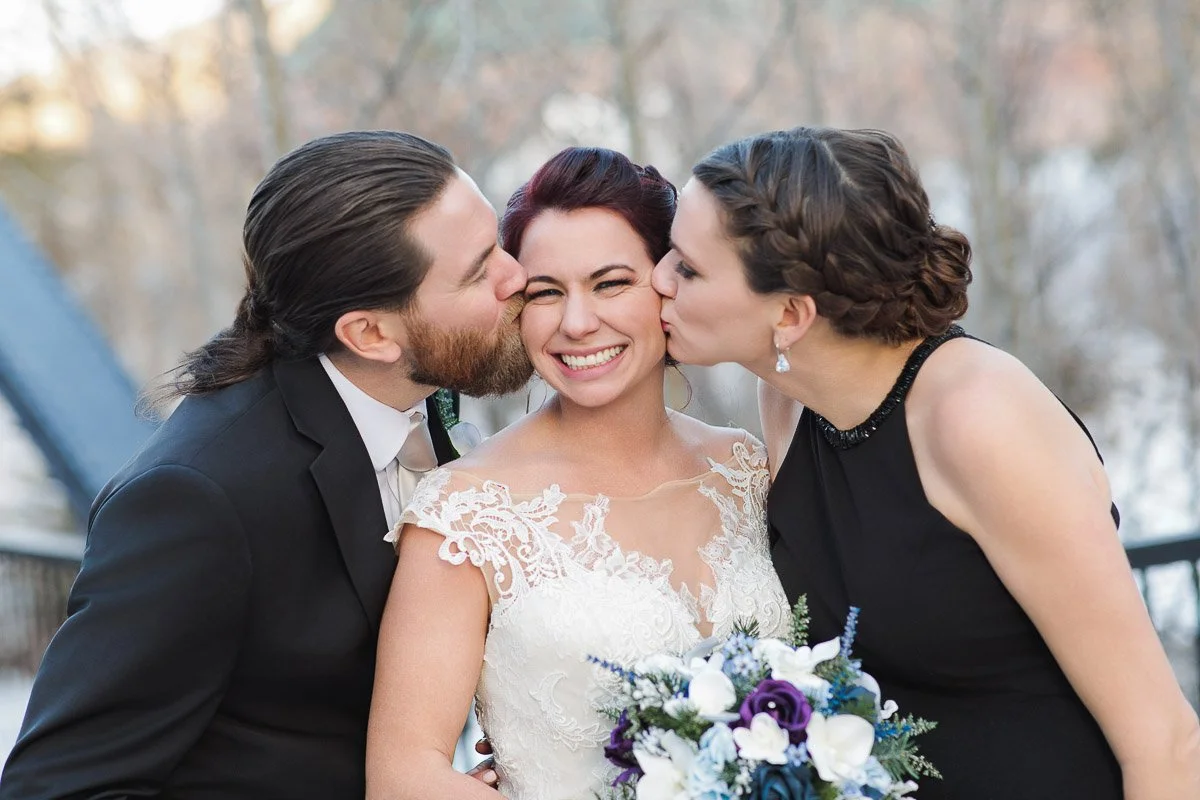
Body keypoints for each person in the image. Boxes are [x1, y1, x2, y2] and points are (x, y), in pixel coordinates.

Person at [651, 125, 1200, 798]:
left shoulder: (978, 417)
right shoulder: (789, 400)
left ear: (791, 314)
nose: (658, 281)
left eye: (688, 268)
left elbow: (1167, 741)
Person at [0, 130, 530, 799]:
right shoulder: (197, 498)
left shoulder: (425, 387)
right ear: (369, 334)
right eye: (480, 271)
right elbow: (56, 787)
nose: (519, 276)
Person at [364, 147, 790, 799]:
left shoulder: (746, 467)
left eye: (611, 283)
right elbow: (403, 777)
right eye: (545, 293)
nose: (577, 322)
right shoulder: (465, 513)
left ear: (669, 283)